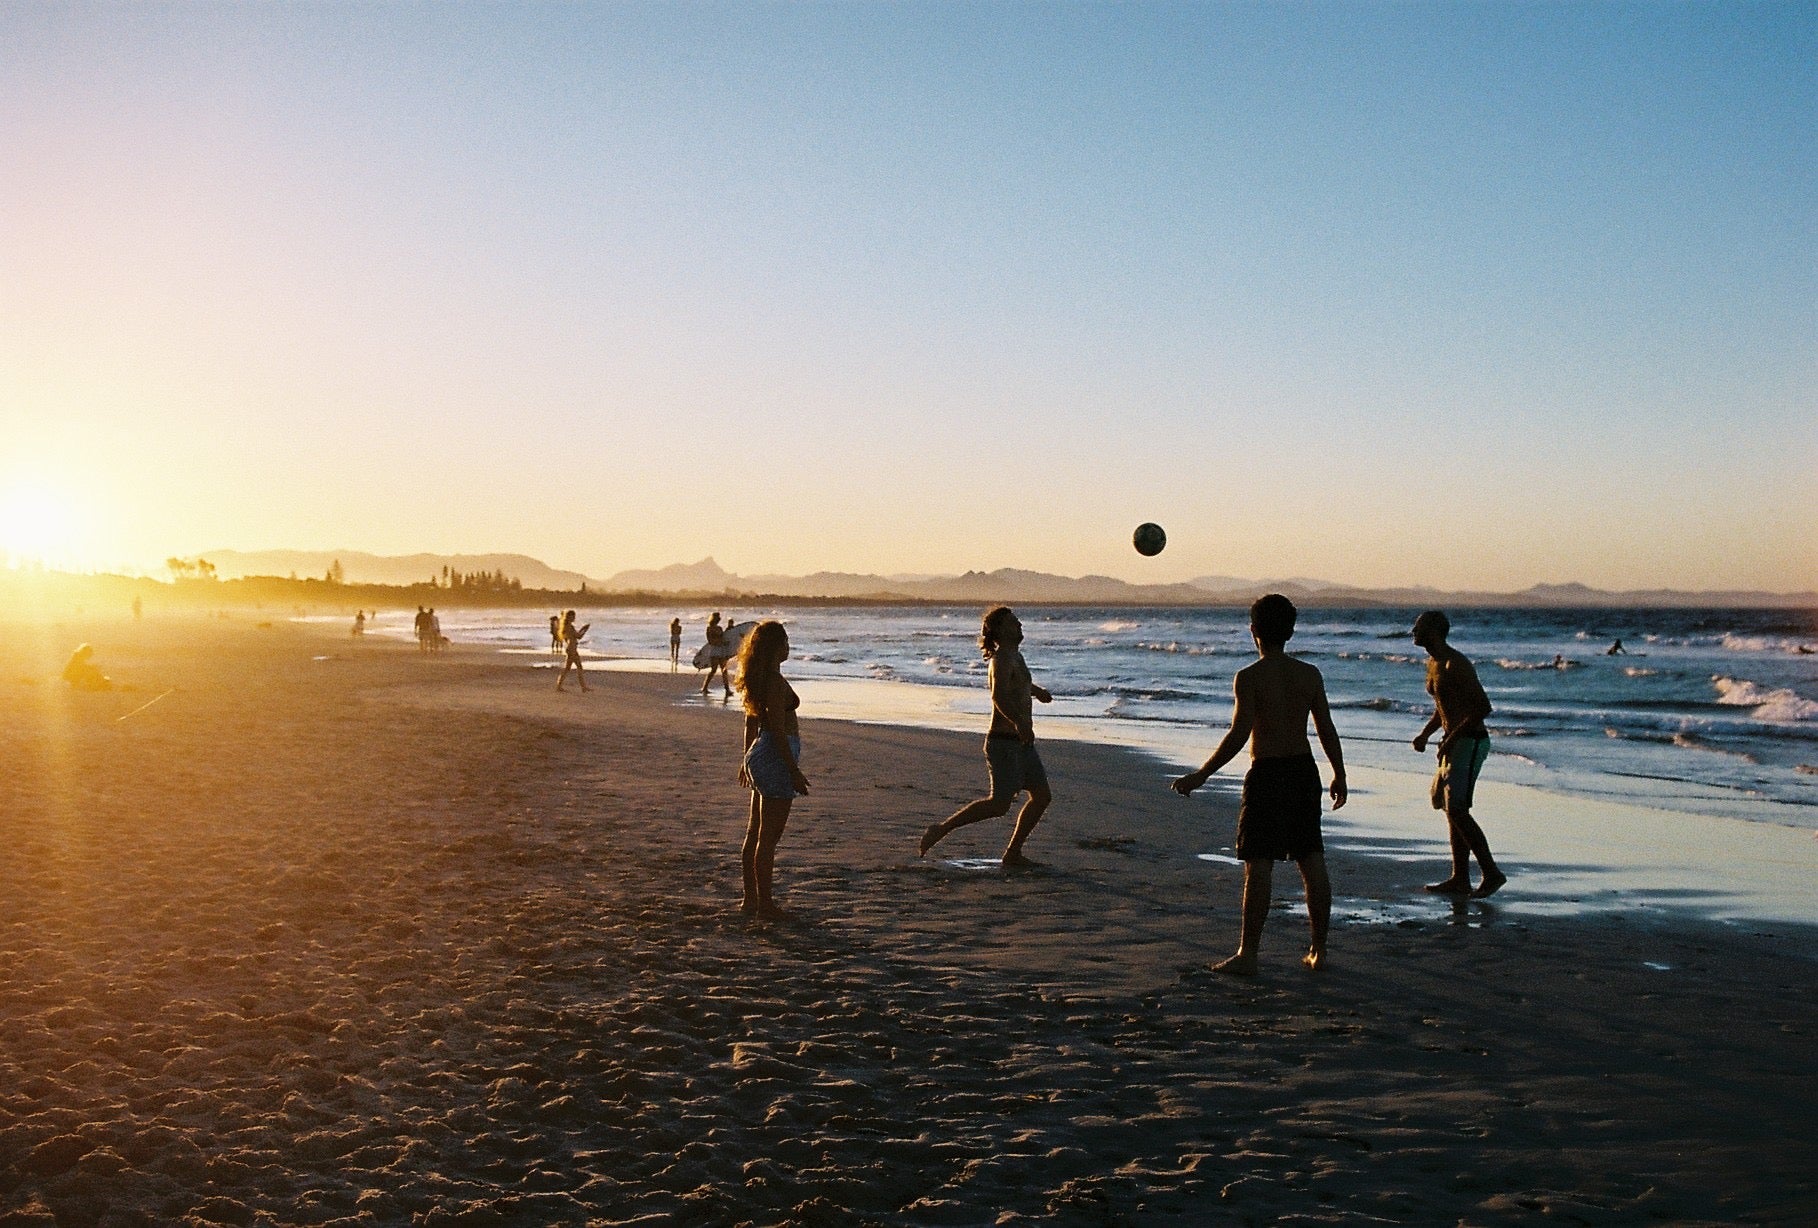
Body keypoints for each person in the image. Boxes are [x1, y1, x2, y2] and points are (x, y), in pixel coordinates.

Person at [1170, 594, 1345, 975]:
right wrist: (1339, 773)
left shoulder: (1249, 677)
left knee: (1259, 864)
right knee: (1310, 857)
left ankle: (1249, 953)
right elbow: (1325, 729)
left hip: (1266, 772)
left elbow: (1238, 734)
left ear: (1253, 632)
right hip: (1302, 771)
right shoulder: (1309, 674)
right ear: (1292, 631)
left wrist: (1202, 774)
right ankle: (1319, 949)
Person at [919, 606, 1054, 867]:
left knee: (1042, 796)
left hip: (1022, 744)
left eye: (1017, 621)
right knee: (999, 805)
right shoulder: (1000, 660)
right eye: (1013, 622)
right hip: (1003, 743)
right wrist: (1019, 723)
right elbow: (999, 696)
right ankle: (941, 829)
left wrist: (1036, 691)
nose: (1019, 625)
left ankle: (1013, 853)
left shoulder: (1017, 657)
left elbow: (1019, 684)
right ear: (1000, 631)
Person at [1411, 610, 1506, 898]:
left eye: (1418, 627)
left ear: (1434, 632)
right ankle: (1460, 877)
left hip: (1471, 741)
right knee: (1449, 809)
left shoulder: (1457, 663)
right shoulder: (1434, 663)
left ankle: (1491, 873)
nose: (1413, 632)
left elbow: (1482, 708)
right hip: (1451, 742)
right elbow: (1444, 706)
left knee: (1457, 809)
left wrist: (1452, 737)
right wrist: (1426, 734)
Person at [737, 621, 809, 919]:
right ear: (775, 648)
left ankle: (750, 900)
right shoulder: (775, 684)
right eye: (785, 642)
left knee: (755, 833)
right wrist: (793, 771)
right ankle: (765, 905)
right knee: (769, 837)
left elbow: (750, 723)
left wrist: (746, 761)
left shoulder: (760, 679)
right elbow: (779, 731)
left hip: (760, 754)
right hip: (775, 755)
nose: (788, 646)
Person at [556, 609, 590, 692]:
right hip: (572, 650)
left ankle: (559, 685)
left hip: (571, 649)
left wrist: (583, 630)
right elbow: (578, 636)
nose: (574, 618)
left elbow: (577, 636)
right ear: (569, 617)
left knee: (568, 668)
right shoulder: (569, 627)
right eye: (573, 616)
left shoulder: (566, 626)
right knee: (578, 667)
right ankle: (583, 687)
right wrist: (584, 629)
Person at [700, 612, 732, 698]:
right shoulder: (709, 629)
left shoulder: (720, 628)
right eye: (718, 618)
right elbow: (710, 641)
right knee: (713, 670)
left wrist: (729, 629)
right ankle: (704, 687)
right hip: (714, 651)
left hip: (721, 650)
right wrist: (720, 642)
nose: (719, 620)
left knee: (724, 670)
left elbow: (723, 637)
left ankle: (727, 689)